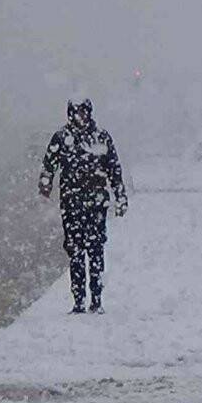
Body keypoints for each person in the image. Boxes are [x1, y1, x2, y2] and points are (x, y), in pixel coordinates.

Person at [39, 98, 128, 314]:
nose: (80, 116)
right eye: (76, 112)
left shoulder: (101, 137)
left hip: (96, 205)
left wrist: (120, 195)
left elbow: (114, 169)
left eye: (83, 111)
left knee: (96, 250)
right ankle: (78, 299)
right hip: (71, 204)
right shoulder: (62, 138)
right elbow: (49, 164)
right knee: (75, 252)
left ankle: (96, 298)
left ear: (89, 112)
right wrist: (45, 183)